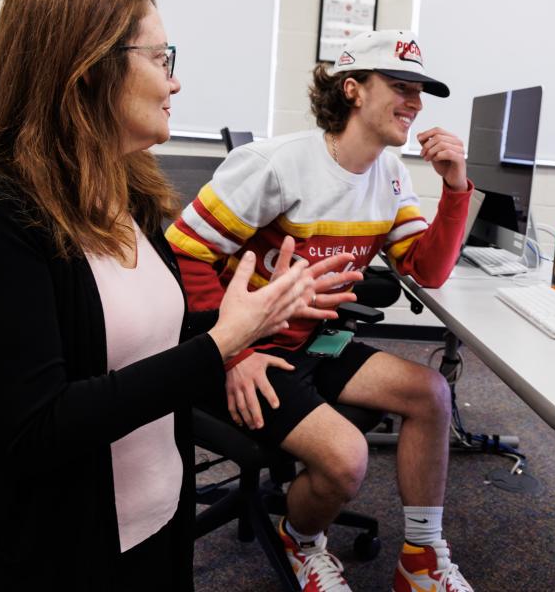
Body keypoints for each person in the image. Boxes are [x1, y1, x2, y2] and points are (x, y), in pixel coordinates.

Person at [0, 0, 360, 591]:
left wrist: (252, 326)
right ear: (89, 68)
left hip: (159, 525)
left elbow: (150, 341)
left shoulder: (128, 194)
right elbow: (36, 429)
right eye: (160, 58)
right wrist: (223, 343)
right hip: (53, 555)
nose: (174, 83)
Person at [166, 30, 476, 591]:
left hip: (311, 341)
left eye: (421, 90)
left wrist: (455, 190)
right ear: (353, 90)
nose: (416, 102)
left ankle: (422, 558)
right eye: (401, 86)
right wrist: (231, 351)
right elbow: (182, 252)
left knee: (432, 393)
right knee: (347, 459)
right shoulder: (276, 164)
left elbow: (425, 269)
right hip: (245, 349)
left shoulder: (390, 172)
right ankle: (300, 540)